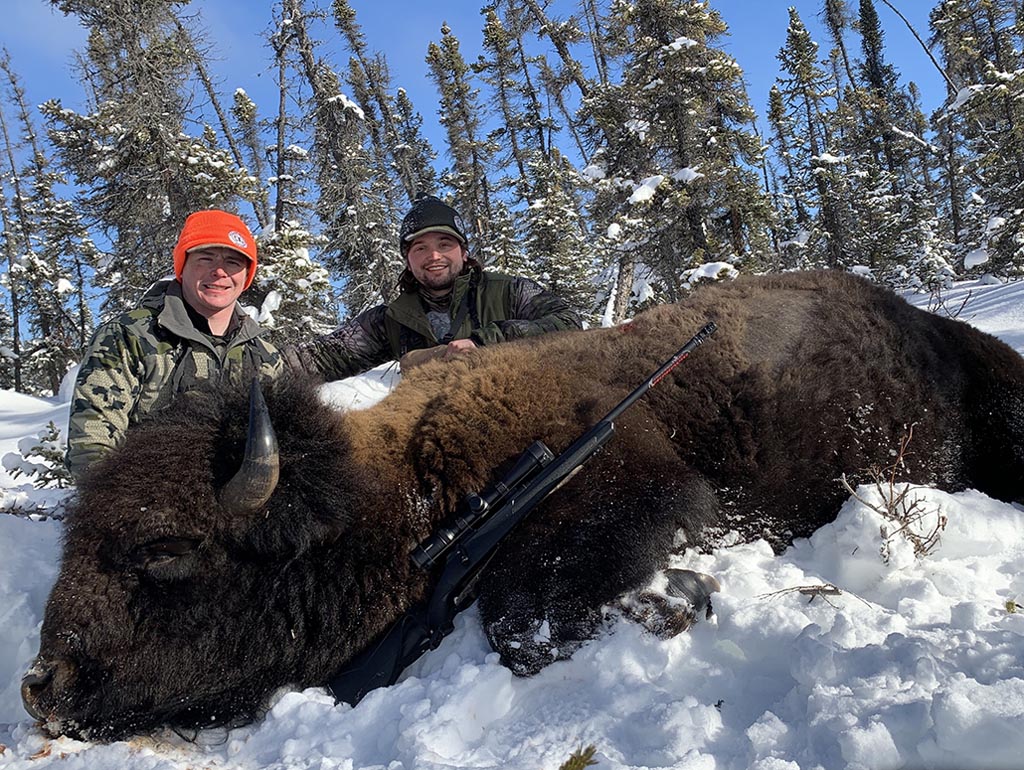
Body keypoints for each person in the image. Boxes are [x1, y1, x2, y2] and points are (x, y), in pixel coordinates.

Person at [66, 209, 283, 480]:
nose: (219, 272)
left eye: (232, 262)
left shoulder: (265, 356)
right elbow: (92, 446)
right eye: (205, 258)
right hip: (148, 501)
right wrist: (120, 505)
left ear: (246, 274)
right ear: (183, 266)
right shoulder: (130, 336)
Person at [294, 194, 583, 379]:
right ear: (408, 260)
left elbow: (569, 322)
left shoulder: (508, 292)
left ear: (464, 252)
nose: (433, 256)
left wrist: (485, 342)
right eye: (420, 248)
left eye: (444, 244)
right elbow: (320, 357)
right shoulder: (390, 320)